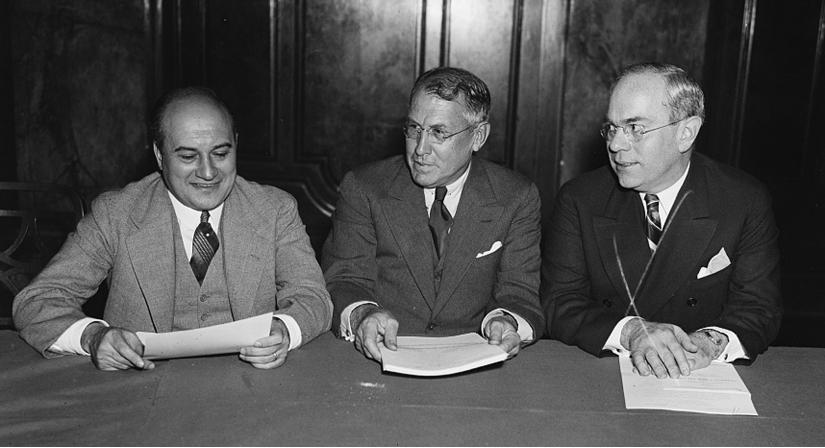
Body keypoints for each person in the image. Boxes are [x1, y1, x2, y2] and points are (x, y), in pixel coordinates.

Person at [13, 87, 332, 371]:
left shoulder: (275, 209)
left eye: (221, 153)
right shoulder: (117, 214)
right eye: (188, 156)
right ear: (158, 155)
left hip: (248, 389)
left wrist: (284, 329)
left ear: (236, 145)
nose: (208, 172)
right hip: (144, 391)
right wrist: (94, 337)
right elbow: (37, 302)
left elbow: (313, 298)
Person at [543, 62, 782, 379]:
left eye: (635, 129)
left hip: (701, 376)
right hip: (605, 373)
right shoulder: (580, 198)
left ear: (686, 133)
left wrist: (707, 343)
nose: (615, 144)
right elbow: (558, 302)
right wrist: (632, 332)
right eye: (612, 128)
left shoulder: (742, 199)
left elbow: (759, 308)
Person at [321, 67, 544, 362]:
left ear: (478, 136)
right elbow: (343, 280)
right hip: (381, 356)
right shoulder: (364, 188)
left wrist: (507, 321)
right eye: (414, 129)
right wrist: (364, 315)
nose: (420, 149)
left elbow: (519, 293)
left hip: (476, 362)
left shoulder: (515, 197)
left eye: (439, 133)